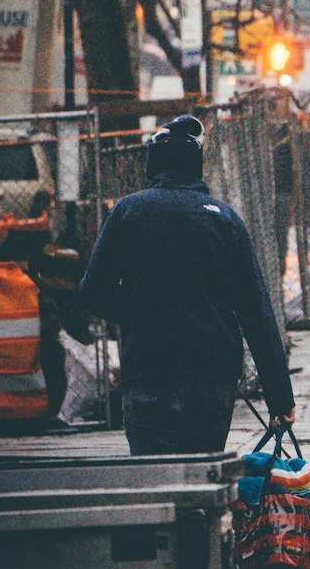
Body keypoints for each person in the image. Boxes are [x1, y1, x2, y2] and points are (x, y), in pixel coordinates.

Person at [79, 114, 295, 455]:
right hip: (212, 375)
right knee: (204, 475)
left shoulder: (127, 213)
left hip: (149, 368)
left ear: (153, 165)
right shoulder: (224, 219)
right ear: (197, 166)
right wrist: (280, 398)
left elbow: (91, 291)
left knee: (155, 478)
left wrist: (137, 313)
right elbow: (256, 313)